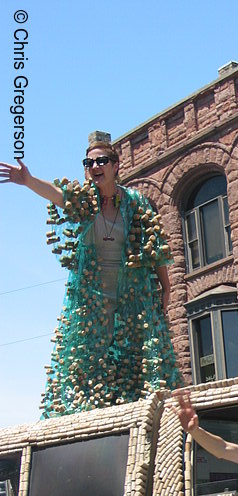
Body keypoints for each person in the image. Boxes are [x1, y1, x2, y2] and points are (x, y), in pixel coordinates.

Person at [0, 131, 181, 417]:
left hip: (130, 300)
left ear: (116, 165)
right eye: (88, 162)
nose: (95, 167)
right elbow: (58, 195)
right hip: (91, 304)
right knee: (86, 363)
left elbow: (154, 247)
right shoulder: (84, 201)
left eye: (102, 161)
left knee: (136, 360)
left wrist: (166, 286)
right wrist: (28, 181)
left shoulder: (136, 204)